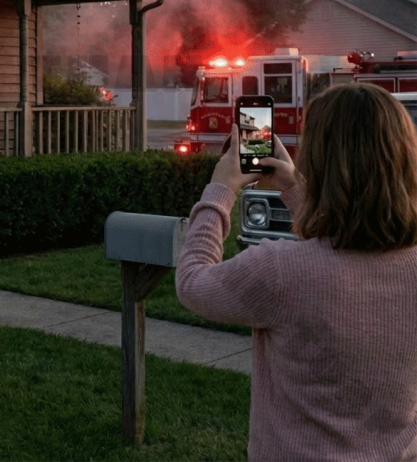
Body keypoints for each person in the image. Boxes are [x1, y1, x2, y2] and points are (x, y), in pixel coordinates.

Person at [176, 82, 417, 461]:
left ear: (319, 162)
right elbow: (345, 238)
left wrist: (220, 189)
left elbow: (192, 282)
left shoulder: (280, 272)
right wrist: (291, 185)